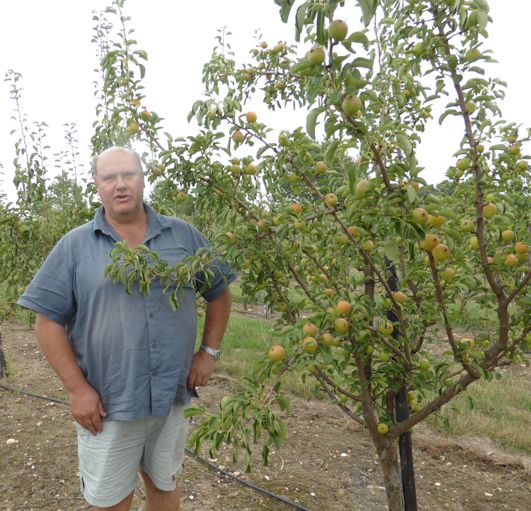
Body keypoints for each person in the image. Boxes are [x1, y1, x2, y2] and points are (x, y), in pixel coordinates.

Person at [18, 146, 236, 511]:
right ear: (97, 185)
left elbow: (219, 293)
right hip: (109, 402)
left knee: (164, 484)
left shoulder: (183, 237)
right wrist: (76, 389)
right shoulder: (75, 245)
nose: (120, 185)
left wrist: (209, 353)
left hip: (172, 394)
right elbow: (47, 321)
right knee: (110, 500)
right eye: (109, 178)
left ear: (142, 178)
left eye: (128, 175)